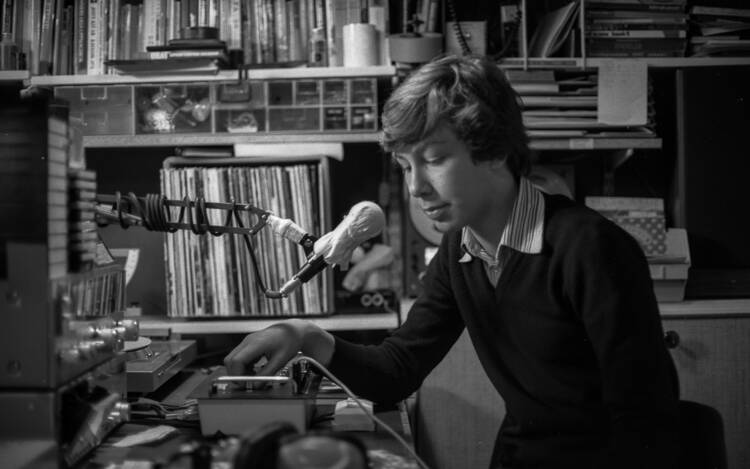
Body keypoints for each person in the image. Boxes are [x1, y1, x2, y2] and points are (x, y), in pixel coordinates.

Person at [225, 55, 680, 469]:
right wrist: (305, 335)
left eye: (435, 159)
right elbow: (396, 370)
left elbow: (647, 424)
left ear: (495, 150)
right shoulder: (460, 249)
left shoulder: (593, 249)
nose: (416, 187)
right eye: (406, 166)